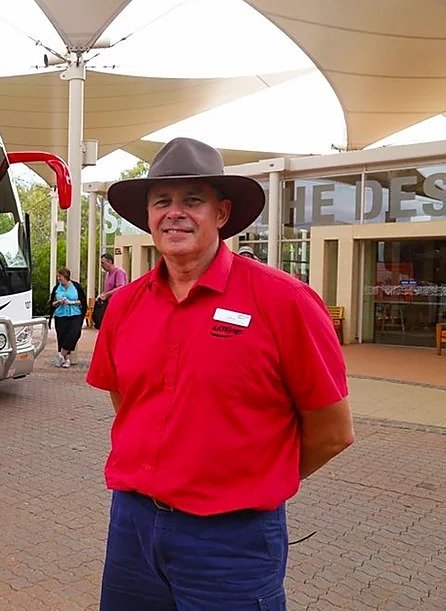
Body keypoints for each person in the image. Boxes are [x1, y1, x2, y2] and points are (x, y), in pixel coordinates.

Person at [86, 137, 354, 610]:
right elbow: (126, 400)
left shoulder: (284, 301)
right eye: (162, 202)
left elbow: (332, 431)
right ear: (148, 216)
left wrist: (251, 479)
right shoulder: (124, 306)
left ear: (222, 213)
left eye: (193, 200)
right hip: (132, 526)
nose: (175, 213)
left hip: (232, 540)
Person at [48, 267, 87, 368]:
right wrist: (59, 302)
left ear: (65, 276)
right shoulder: (57, 288)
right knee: (62, 336)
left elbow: (82, 301)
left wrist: (71, 302)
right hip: (61, 315)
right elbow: (52, 303)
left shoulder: (76, 286)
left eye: (60, 276)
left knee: (74, 334)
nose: (58, 278)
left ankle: (60, 355)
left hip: (75, 314)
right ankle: (66, 360)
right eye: (58, 276)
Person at [93, 253, 128, 328]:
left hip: (117, 304)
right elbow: (107, 289)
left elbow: (121, 287)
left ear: (109, 261)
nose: (102, 265)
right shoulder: (108, 274)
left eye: (103, 263)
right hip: (108, 304)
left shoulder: (119, 272)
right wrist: (102, 295)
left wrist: (106, 294)